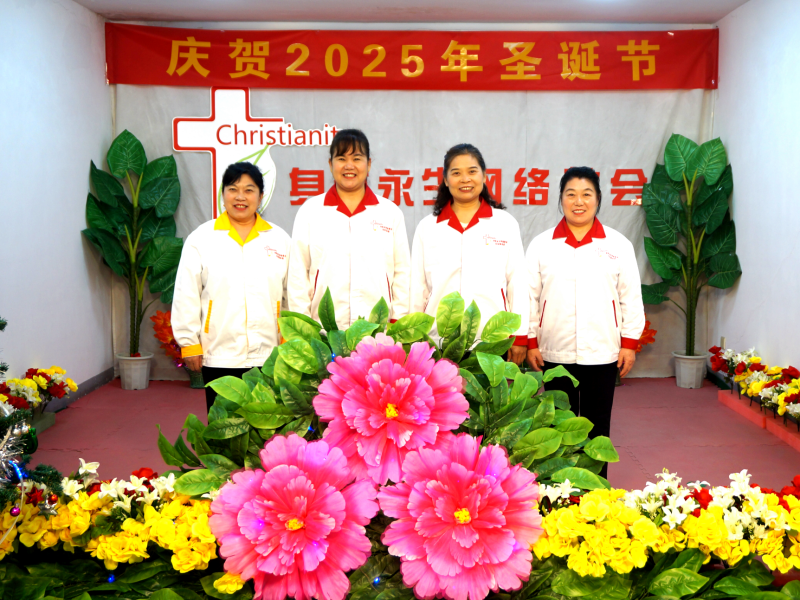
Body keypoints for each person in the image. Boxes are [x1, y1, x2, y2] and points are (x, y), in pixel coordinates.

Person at [526, 166, 645, 476]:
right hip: (554, 352)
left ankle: (596, 493)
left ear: (598, 199)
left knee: (597, 429)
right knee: (558, 428)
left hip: (602, 352)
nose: (578, 202)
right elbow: (529, 297)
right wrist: (530, 341)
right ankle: (559, 492)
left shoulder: (617, 245)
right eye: (571, 194)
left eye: (586, 194)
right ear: (561, 199)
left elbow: (631, 297)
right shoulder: (542, 245)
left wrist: (629, 343)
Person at [172, 162, 291, 412]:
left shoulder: (280, 240)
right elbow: (186, 294)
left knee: (266, 425)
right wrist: (189, 343)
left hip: (270, 355)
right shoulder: (201, 239)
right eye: (233, 189)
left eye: (249, 190)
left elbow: (291, 294)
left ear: (260, 196)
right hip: (219, 354)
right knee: (223, 426)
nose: (240, 197)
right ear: (223, 193)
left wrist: (289, 339)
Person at [410, 143, 528, 364]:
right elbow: (417, 287)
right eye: (456, 173)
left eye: (472, 171)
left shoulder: (504, 224)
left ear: (484, 176)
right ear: (446, 180)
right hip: (438, 342)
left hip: (492, 340)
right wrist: (414, 335)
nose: (465, 179)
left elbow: (517, 283)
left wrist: (520, 335)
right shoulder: (428, 227)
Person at [287, 129, 411, 328]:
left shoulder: (390, 213)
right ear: (331, 164)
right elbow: (297, 275)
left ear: (369, 164)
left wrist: (396, 323)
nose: (349, 165)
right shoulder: (310, 211)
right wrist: (304, 328)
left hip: (378, 332)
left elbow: (402, 273)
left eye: (357, 158)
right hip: (324, 332)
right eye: (341, 158)